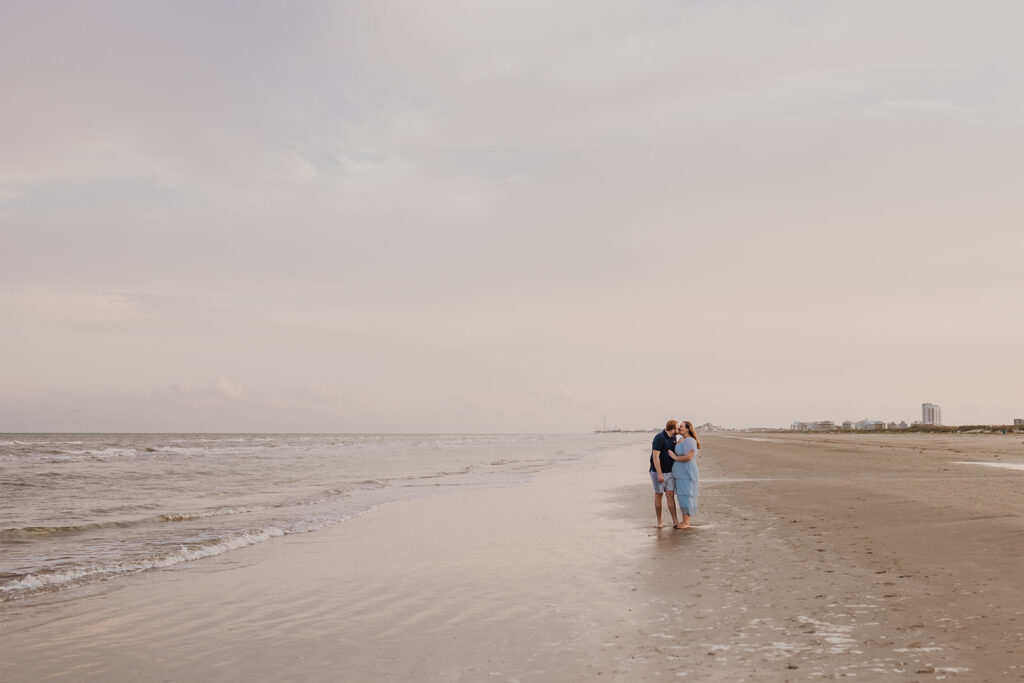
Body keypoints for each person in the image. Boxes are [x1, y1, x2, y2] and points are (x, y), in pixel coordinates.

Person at [669, 420, 701, 529]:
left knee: (687, 495)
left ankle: (686, 522)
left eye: (681, 427)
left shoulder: (690, 441)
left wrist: (675, 457)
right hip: (679, 472)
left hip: (687, 471)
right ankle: (683, 520)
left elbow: (688, 457)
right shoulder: (681, 439)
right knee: (682, 496)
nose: (679, 428)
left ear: (687, 429)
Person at [649, 420, 680, 528]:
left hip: (670, 472)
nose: (678, 429)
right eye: (677, 428)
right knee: (659, 495)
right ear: (672, 429)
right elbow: (655, 456)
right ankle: (659, 521)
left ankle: (675, 521)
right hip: (658, 472)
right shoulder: (659, 437)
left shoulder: (674, 438)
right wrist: (659, 474)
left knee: (670, 497)